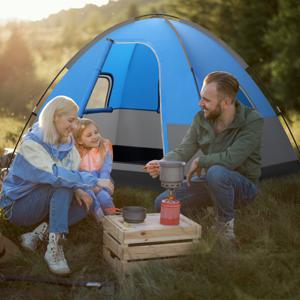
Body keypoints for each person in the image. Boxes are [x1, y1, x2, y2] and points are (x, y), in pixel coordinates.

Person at [0, 95, 112, 275]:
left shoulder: (68, 144)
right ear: (55, 117)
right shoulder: (32, 145)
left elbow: (67, 173)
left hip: (45, 198)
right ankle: (54, 247)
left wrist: (79, 189)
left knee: (87, 200)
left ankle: (39, 233)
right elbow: (55, 174)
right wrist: (94, 181)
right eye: (71, 120)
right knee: (63, 186)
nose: (75, 126)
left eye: (76, 120)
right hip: (18, 206)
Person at [145, 71, 263, 241]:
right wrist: (163, 163)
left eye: (206, 100)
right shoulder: (201, 119)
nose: (200, 103)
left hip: (242, 188)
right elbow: (184, 149)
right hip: (210, 181)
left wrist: (202, 160)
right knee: (162, 203)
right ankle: (204, 217)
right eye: (201, 97)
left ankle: (225, 229)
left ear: (226, 102)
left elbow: (232, 159)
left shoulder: (252, 121)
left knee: (216, 172)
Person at [74, 118, 115, 223]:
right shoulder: (76, 153)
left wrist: (102, 188)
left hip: (102, 180)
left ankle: (113, 218)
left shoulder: (104, 146)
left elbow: (105, 170)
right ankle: (99, 217)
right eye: (89, 135)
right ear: (79, 140)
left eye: (96, 132)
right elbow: (76, 174)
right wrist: (93, 186)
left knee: (104, 197)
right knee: (92, 198)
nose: (95, 136)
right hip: (85, 183)